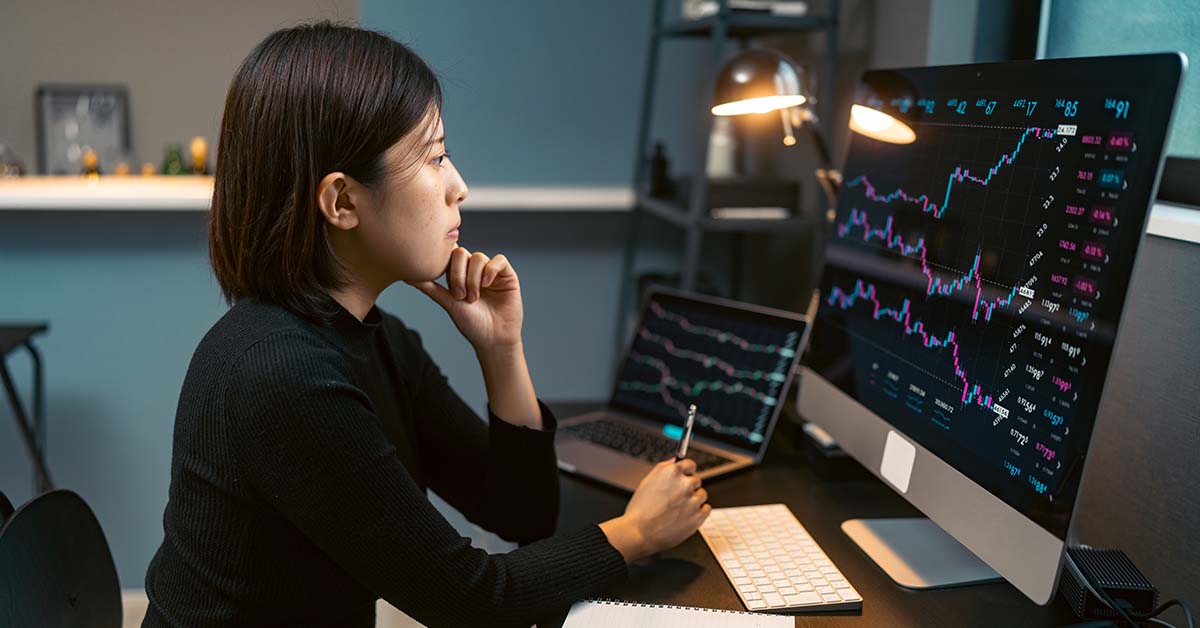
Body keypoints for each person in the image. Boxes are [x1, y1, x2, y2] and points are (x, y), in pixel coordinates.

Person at [141, 21, 710, 628]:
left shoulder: (375, 338)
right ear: (342, 203)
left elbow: (521, 515)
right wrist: (638, 532)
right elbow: (470, 601)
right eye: (434, 157)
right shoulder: (281, 374)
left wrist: (500, 349)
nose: (459, 186)